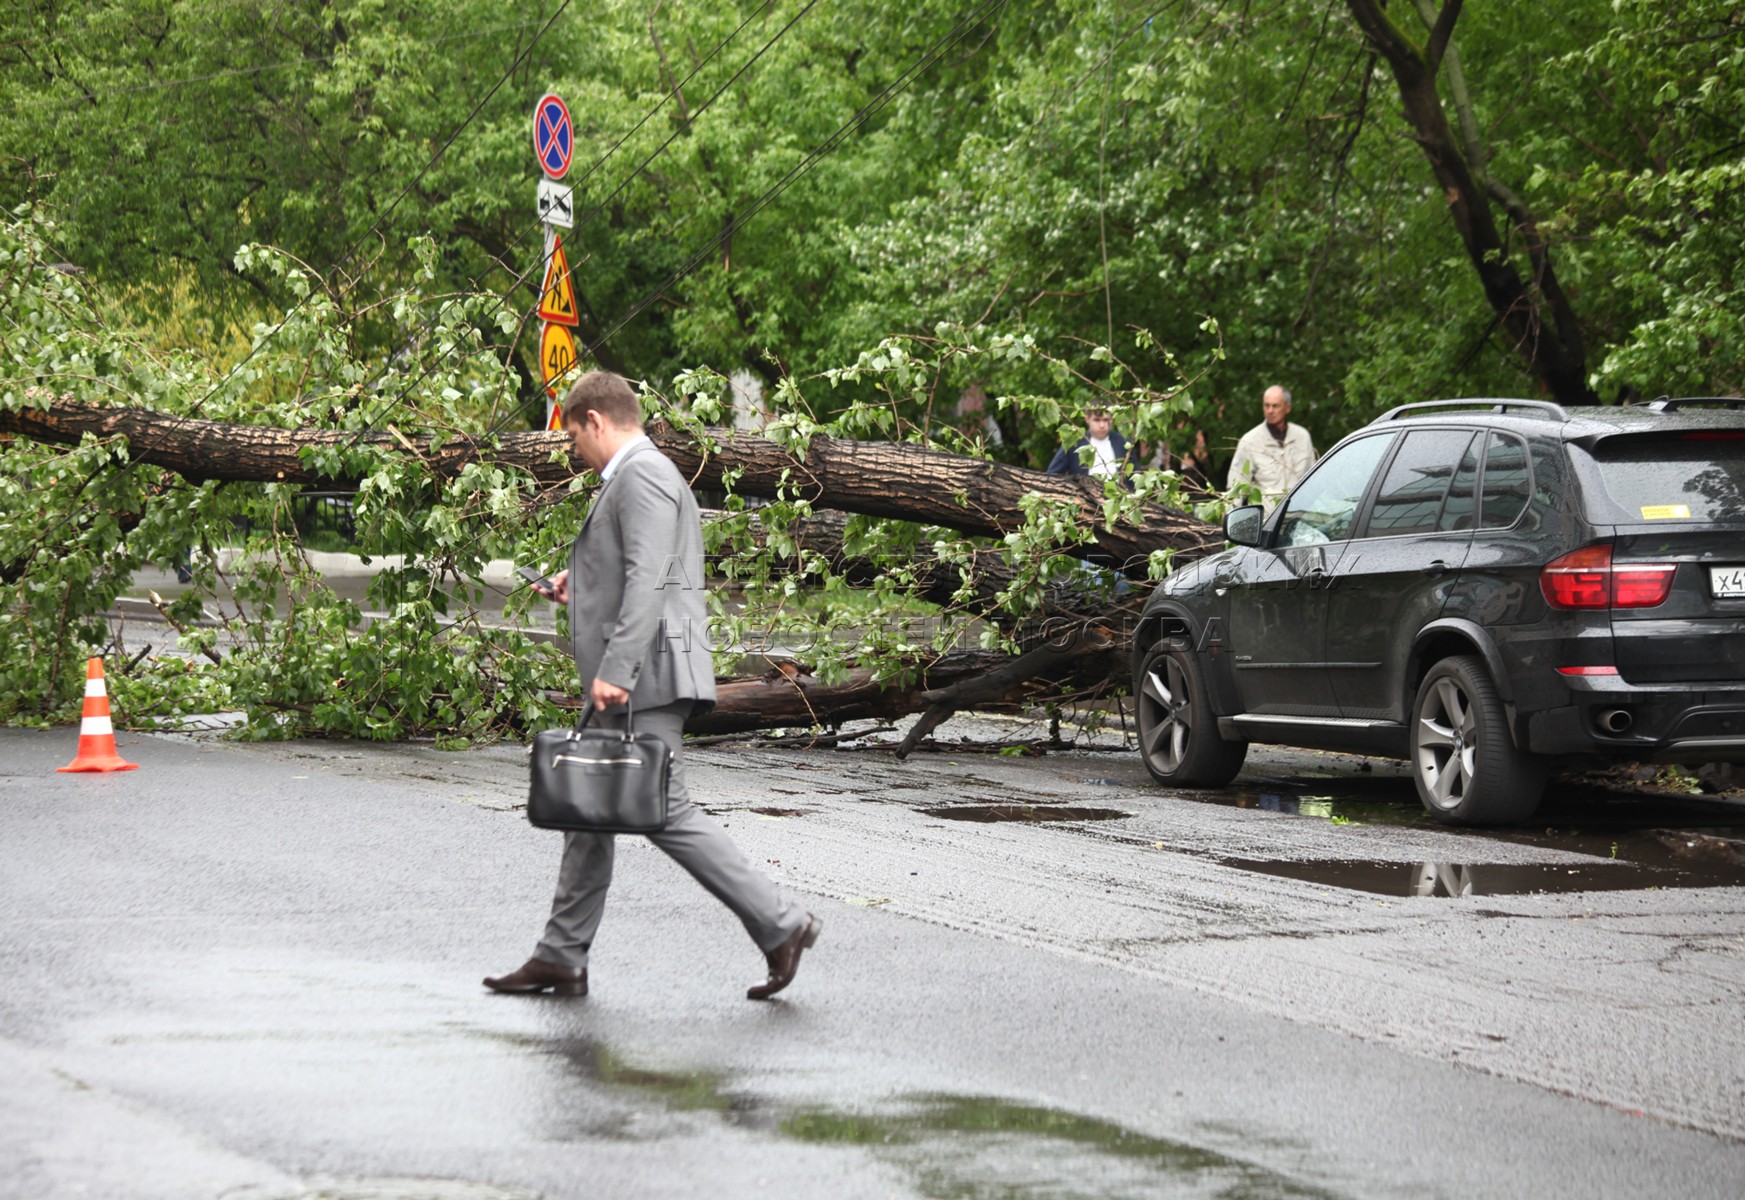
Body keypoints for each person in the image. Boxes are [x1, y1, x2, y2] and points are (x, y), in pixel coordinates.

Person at [485, 370, 820, 1001]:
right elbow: (643, 568)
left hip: (644, 675)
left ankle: (783, 923)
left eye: (574, 437)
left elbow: (650, 583)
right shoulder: (646, 475)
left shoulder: (642, 475)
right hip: (642, 670)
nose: (575, 453)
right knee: (588, 811)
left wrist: (617, 670)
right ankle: (560, 955)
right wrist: (575, 581)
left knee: (663, 809)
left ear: (596, 421)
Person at [1226, 385, 1315, 511]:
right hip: (1268, 523)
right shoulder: (1250, 441)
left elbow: (1315, 480)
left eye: (1275, 406)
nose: (1270, 410)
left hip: (1299, 519)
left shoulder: (1302, 437)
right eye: (1266, 405)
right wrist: (1232, 521)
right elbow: (1236, 487)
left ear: (1287, 407)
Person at [1046, 407, 1136, 480]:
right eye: (1097, 420)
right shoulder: (1074, 442)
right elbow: (1052, 474)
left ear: (1111, 419)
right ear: (1087, 419)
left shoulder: (1123, 442)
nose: (1102, 425)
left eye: (1105, 420)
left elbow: (1134, 476)